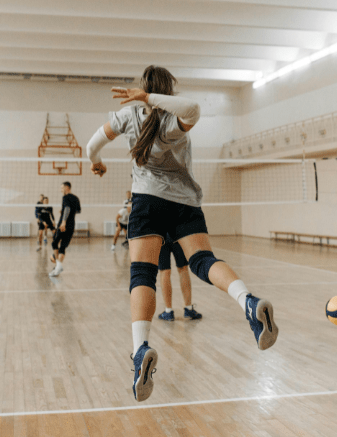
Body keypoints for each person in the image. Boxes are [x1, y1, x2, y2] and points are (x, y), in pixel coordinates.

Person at [86, 65, 278, 402]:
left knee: (141, 273)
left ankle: (140, 350)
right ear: (169, 89)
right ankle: (248, 301)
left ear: (145, 88)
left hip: (146, 201)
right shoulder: (175, 120)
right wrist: (151, 99)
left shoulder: (128, 115)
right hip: (184, 204)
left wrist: (97, 161)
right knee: (204, 261)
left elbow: (91, 145)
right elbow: (193, 110)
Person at [157, 237, 202, 321]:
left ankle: (168, 311)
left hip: (161, 235)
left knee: (164, 271)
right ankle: (189, 309)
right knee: (183, 269)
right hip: (177, 235)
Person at [49, 182, 81, 277]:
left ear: (67, 188)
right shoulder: (76, 198)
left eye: (62, 188)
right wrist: (63, 211)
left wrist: (63, 222)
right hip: (72, 225)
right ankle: (58, 267)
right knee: (62, 246)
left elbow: (67, 208)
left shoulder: (65, 197)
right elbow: (77, 210)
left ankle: (58, 266)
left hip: (64, 224)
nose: (61, 190)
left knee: (54, 243)